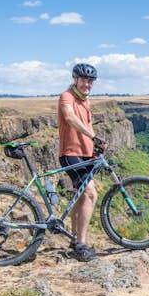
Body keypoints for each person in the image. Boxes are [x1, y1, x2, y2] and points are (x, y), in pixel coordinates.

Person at [58, 63, 108, 262]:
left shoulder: (86, 100)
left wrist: (96, 142)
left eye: (90, 81)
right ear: (75, 79)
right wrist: (92, 136)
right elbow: (70, 118)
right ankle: (81, 245)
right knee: (89, 193)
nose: (87, 84)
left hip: (86, 153)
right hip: (71, 153)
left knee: (81, 196)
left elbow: (87, 124)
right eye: (84, 79)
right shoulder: (67, 97)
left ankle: (74, 239)